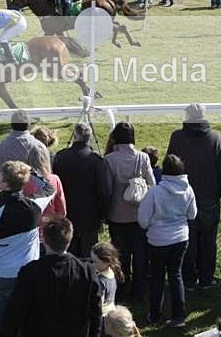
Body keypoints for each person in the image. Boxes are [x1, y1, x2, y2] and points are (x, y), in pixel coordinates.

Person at [0, 160, 56, 335]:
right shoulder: (35, 205)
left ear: (4, 183)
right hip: (28, 271)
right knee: (27, 316)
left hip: (0, 273)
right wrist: (33, 172)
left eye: (0, 176)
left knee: (1, 318)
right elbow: (50, 188)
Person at [0, 216, 102, 337]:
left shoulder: (30, 272)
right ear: (70, 239)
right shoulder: (86, 272)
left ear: (45, 240)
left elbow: (14, 313)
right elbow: (96, 314)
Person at [166, 104, 221, 291]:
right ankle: (206, 278)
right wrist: (217, 193)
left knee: (187, 240)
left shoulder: (177, 137)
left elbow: (169, 166)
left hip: (183, 197)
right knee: (209, 241)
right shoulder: (215, 137)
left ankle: (189, 279)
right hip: (209, 197)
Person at [138, 154, 197, 327]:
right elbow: (192, 214)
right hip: (180, 238)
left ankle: (155, 316)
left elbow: (142, 221)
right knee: (176, 274)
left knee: (157, 277)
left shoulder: (154, 192)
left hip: (158, 240)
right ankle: (179, 316)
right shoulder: (188, 189)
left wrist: (154, 225)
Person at [103, 122, 156, 302]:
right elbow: (152, 184)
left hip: (117, 215)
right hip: (139, 215)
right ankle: (138, 291)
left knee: (119, 255)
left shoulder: (110, 160)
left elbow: (107, 190)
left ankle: (121, 287)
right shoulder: (143, 158)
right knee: (139, 254)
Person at [53, 122, 106, 258]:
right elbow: (103, 192)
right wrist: (101, 217)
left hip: (67, 215)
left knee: (69, 257)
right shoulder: (96, 161)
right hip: (90, 219)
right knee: (88, 258)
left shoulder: (60, 157)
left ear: (75, 137)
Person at [23, 144, 67, 242]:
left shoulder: (22, 182)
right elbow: (62, 211)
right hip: (50, 234)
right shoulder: (54, 179)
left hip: (29, 235)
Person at [91, 242, 123, 318]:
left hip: (103, 317)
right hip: (111, 311)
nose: (92, 264)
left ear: (106, 262)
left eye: (95, 262)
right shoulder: (111, 271)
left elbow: (99, 305)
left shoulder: (100, 281)